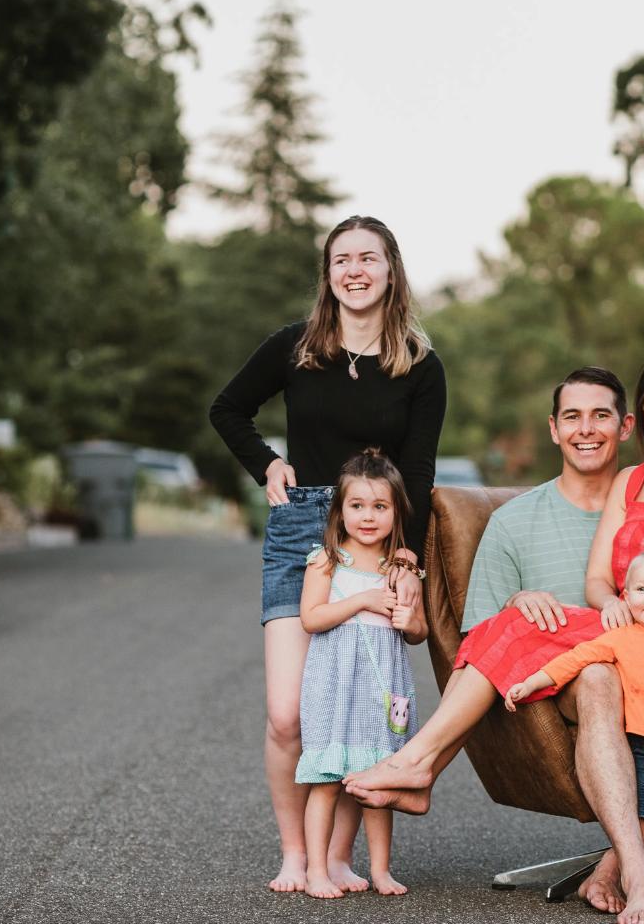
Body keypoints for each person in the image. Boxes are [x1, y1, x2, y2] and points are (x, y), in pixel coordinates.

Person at [344, 354, 644, 924]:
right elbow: (599, 580)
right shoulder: (631, 480)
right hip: (635, 638)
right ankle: (423, 765)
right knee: (525, 621)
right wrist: (610, 602)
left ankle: (612, 862)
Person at [209, 215, 445, 892]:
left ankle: (338, 855)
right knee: (289, 715)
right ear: (329, 273)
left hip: (375, 540)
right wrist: (266, 463)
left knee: (356, 709)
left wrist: (408, 560)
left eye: (368, 258)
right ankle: (296, 852)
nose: (355, 270)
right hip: (301, 527)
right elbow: (228, 409)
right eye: (342, 259)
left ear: (391, 270)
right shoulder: (296, 346)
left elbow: (417, 472)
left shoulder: (420, 365)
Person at [506, 547, 644, 917]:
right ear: (626, 596)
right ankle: (631, 876)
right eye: (641, 589)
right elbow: (573, 659)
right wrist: (531, 683)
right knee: (637, 819)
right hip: (641, 750)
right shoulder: (621, 638)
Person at [296, 449, 428, 898]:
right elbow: (311, 618)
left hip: (381, 690)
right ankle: (317, 870)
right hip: (335, 686)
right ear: (340, 510)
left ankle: (381, 870)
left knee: (377, 780)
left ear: (396, 512)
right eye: (357, 505)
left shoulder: (401, 569)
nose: (368, 517)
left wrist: (411, 622)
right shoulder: (327, 560)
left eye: (379, 506)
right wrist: (363, 601)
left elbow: (419, 632)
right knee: (326, 781)